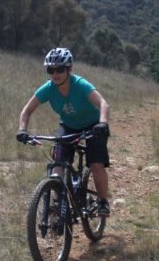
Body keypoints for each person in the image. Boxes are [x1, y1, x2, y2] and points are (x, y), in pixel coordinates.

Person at [16, 47, 111, 216]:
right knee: (58, 162)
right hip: (68, 126)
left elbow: (103, 104)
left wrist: (102, 123)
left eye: (60, 69)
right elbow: (27, 110)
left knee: (96, 164)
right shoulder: (48, 88)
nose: (55, 74)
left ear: (69, 69)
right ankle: (59, 200)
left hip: (94, 126)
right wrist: (22, 130)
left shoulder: (80, 84)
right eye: (51, 70)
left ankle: (103, 201)